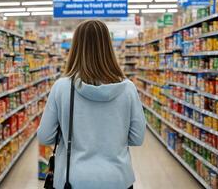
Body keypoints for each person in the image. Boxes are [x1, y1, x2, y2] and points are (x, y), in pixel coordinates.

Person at [37, 20, 146, 189]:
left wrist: (69, 134)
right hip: (117, 179)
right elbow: (137, 138)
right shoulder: (128, 88)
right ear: (108, 48)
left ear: (76, 48)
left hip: (73, 180)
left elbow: (45, 136)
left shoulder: (62, 87)